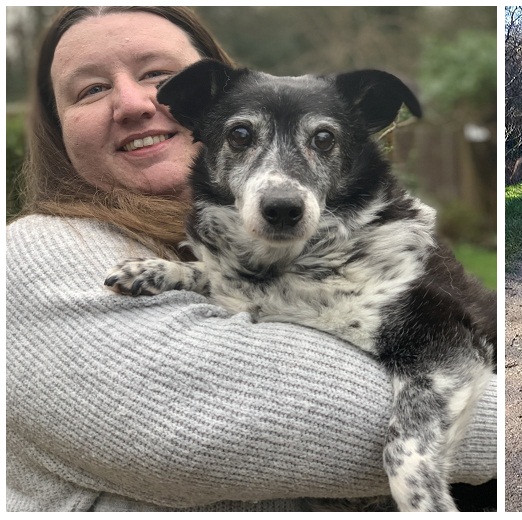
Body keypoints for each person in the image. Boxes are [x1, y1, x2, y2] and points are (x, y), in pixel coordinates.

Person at [5, 6, 497, 512]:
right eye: (90, 89)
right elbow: (299, 424)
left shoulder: (260, 247)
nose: (135, 102)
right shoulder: (36, 257)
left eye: (157, 75)